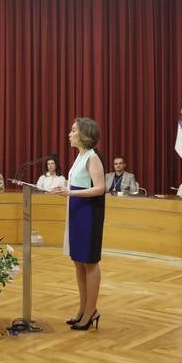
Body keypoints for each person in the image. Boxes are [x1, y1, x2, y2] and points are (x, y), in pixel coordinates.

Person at [52, 117, 106, 331]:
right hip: (76, 212)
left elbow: (100, 188)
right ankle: (83, 309)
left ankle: (91, 311)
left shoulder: (93, 157)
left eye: (73, 130)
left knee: (90, 262)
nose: (69, 133)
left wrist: (70, 192)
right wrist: (62, 190)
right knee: (78, 261)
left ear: (84, 134)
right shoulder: (80, 156)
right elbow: (76, 184)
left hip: (89, 214)